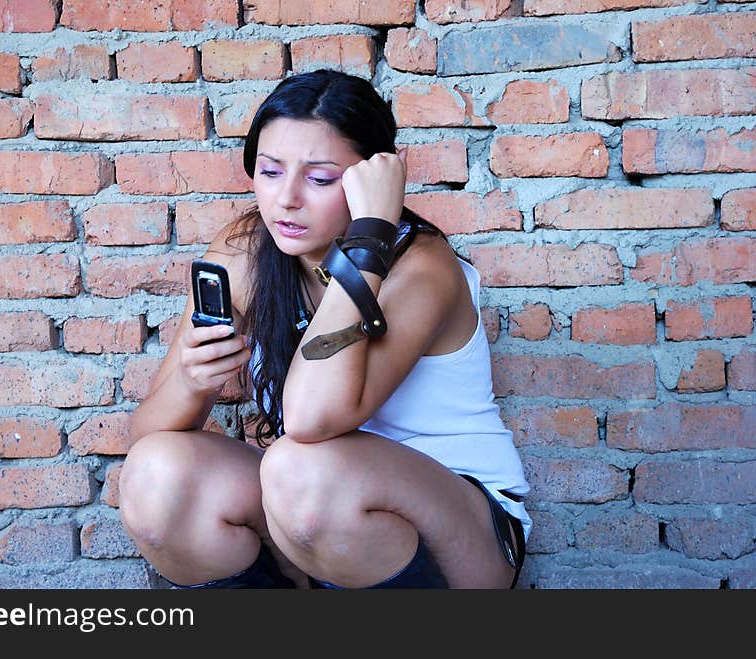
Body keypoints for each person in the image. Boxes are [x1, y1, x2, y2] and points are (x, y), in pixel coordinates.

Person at [119, 69, 531, 589]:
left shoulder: (422, 270)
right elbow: (144, 441)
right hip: (308, 510)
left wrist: (370, 237)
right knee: (157, 477)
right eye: (269, 172)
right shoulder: (247, 251)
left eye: (319, 179)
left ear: (371, 181)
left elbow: (312, 419)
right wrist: (191, 381)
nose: (287, 198)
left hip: (460, 525)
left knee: (300, 470)